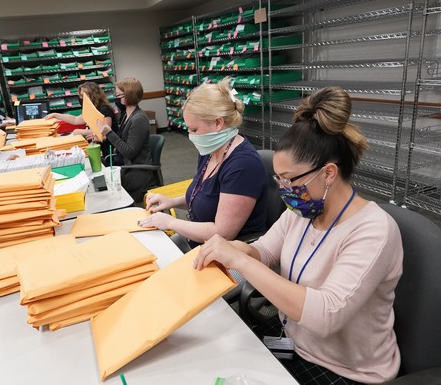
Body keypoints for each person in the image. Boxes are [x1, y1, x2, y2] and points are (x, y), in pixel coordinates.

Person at [194, 87, 403, 384]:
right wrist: (234, 248)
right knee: (219, 362)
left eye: (290, 180)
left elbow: (326, 316)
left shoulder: (374, 231)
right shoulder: (302, 212)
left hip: (347, 371)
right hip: (296, 343)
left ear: (329, 173)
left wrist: (241, 262)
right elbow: (264, 251)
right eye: (279, 180)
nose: (284, 190)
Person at [139, 78, 268, 249]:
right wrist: (172, 201)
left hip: (229, 253)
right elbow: (202, 196)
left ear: (218, 123)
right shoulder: (211, 151)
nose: (191, 136)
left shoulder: (243, 165)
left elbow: (223, 233)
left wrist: (171, 222)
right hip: (201, 242)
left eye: (194, 130)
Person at [97, 77, 152, 203]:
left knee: (102, 194)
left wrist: (109, 133)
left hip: (136, 171)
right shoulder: (126, 115)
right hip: (125, 166)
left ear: (129, 95)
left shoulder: (138, 119)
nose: (116, 98)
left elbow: (129, 152)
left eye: (118, 95)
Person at [45, 81, 117, 158]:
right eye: (80, 96)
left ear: (92, 95)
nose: (81, 98)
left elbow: (106, 132)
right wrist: (55, 115)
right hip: (95, 147)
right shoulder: (90, 108)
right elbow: (75, 120)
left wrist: (83, 132)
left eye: (83, 96)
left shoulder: (104, 109)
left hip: (107, 150)